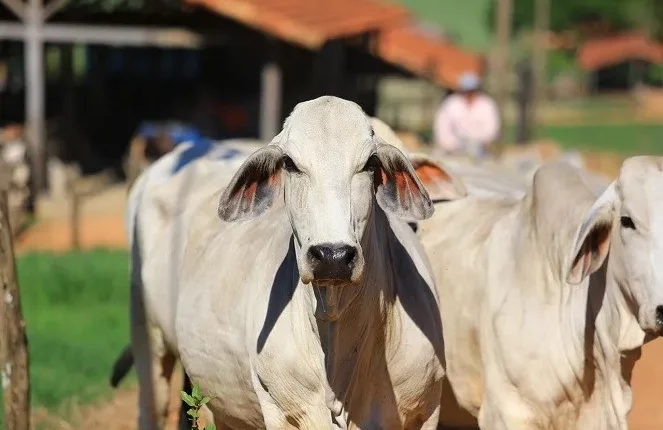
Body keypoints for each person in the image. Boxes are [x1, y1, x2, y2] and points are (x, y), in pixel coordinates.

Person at [433, 71, 501, 160]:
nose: (469, 94)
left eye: (472, 91)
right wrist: (452, 145)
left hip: (481, 152)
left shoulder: (487, 104)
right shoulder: (451, 104)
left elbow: (492, 129)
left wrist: (477, 143)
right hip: (454, 152)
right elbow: (442, 128)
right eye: (466, 91)